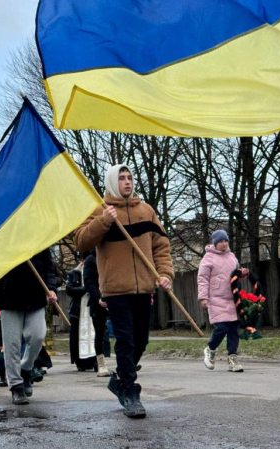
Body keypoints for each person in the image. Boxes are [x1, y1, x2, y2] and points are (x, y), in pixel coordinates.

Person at [75, 163, 174, 419]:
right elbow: (82, 241)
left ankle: (119, 379)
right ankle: (130, 392)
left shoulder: (147, 211)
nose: (127, 182)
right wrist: (104, 221)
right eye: (121, 178)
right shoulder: (99, 211)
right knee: (126, 340)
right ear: (111, 182)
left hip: (144, 288)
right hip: (116, 291)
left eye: (130, 177)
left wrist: (165, 274)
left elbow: (161, 247)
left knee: (141, 340)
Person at [0, 249, 57, 405]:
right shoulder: (3, 242)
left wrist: (50, 288)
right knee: (11, 344)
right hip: (8, 300)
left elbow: (48, 267)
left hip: (36, 298)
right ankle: (16, 386)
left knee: (38, 336)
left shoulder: (40, 241)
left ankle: (26, 369)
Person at [198, 230, 247, 373]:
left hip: (233, 298)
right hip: (216, 298)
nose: (224, 244)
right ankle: (210, 349)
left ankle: (233, 359)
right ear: (215, 243)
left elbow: (235, 275)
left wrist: (242, 274)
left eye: (226, 241)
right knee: (222, 328)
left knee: (234, 330)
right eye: (221, 241)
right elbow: (202, 279)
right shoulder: (208, 258)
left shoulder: (232, 257)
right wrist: (203, 297)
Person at [66, 255, 97, 372]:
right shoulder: (74, 273)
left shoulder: (95, 269)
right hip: (78, 310)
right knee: (77, 337)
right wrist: (85, 289)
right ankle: (80, 362)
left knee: (94, 334)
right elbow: (69, 289)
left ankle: (95, 360)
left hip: (92, 307)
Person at [83, 249, 111, 377]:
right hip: (98, 302)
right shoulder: (91, 259)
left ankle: (127, 362)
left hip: (115, 297)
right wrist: (98, 297)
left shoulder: (112, 254)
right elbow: (88, 281)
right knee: (99, 332)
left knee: (124, 330)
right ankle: (101, 364)